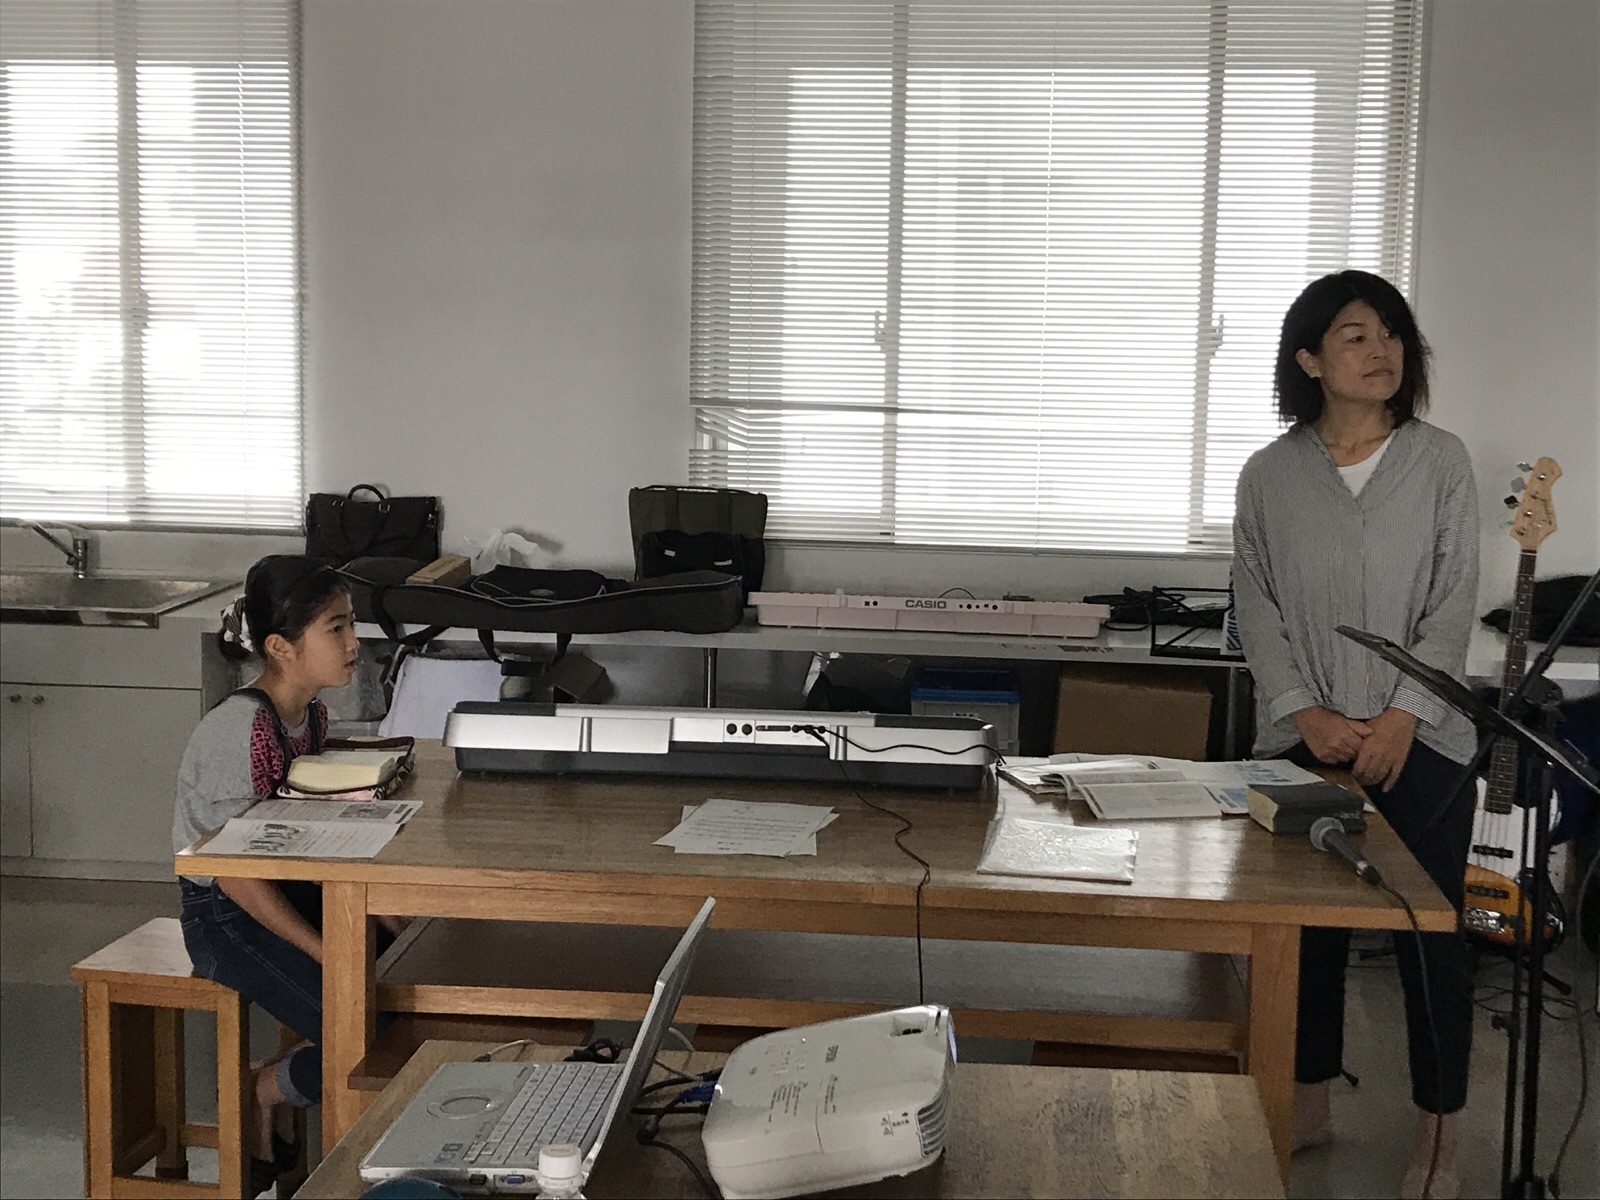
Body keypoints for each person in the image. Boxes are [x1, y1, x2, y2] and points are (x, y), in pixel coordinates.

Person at [1232, 270, 1479, 1200]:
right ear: (1309, 360)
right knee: (1308, 938)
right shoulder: (1270, 474)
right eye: (1356, 336)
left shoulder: (1440, 461)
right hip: (1307, 740)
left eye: (1392, 334)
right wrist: (1308, 713)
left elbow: (1452, 601)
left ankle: (1440, 1131)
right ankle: (1309, 1102)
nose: (1382, 352)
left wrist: (1403, 715)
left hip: (1425, 742)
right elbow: (1256, 606)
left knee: (1431, 938)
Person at [173, 554, 398, 1188]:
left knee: (411, 988)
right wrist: (331, 952)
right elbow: (234, 875)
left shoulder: (310, 716)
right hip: (228, 917)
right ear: (280, 647)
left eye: (351, 625)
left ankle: (287, 1085)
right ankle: (267, 1087)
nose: (354, 644)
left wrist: (383, 917)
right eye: (336, 628)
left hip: (288, 893)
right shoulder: (239, 729)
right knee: (370, 1028)